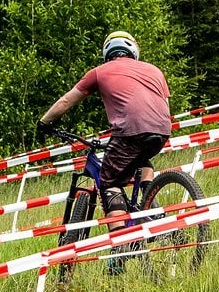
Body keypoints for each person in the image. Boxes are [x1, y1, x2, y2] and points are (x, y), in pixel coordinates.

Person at [36, 31, 172, 233]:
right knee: (141, 158)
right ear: (133, 51)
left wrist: (44, 122)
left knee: (109, 181)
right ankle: (150, 200)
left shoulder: (99, 72)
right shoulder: (155, 70)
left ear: (107, 52)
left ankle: (120, 247)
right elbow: (164, 103)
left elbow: (66, 101)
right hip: (161, 129)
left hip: (130, 131)